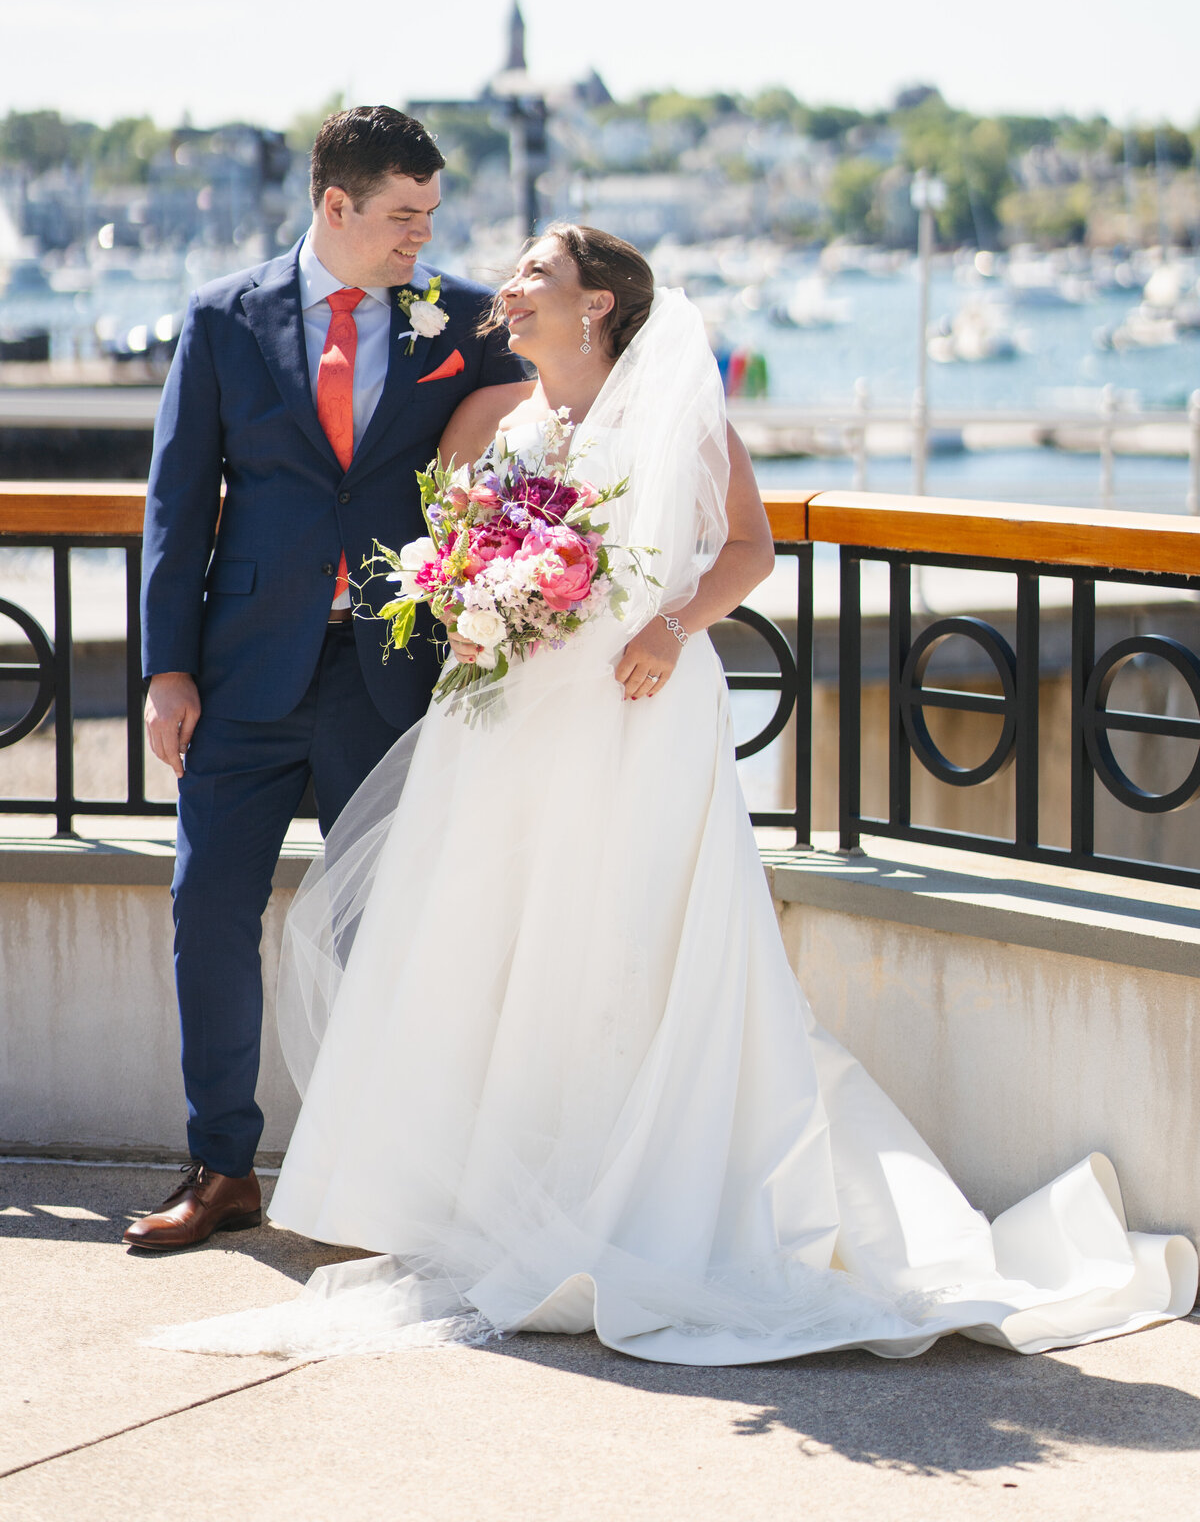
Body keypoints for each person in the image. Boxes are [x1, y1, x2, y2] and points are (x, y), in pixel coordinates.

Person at [151, 226, 1197, 1362]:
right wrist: (469, 604)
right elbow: (449, 548)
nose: (507, 287)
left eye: (535, 275)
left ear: (596, 305)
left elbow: (746, 548)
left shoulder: (669, 410)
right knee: (508, 945)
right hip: (510, 716)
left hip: (636, 708)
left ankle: (644, 1190)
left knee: (630, 940)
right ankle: (510, 1190)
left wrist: (668, 626)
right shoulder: (499, 419)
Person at [125, 107, 530, 1252]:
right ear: (335, 207)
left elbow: (536, 438)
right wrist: (166, 668)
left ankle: (388, 1175)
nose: (424, 238)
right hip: (242, 675)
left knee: (386, 930)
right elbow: (175, 505)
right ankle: (220, 1168)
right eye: (404, 217)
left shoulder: (459, 320)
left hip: (388, 676)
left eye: (432, 216)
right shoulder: (221, 319)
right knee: (208, 913)